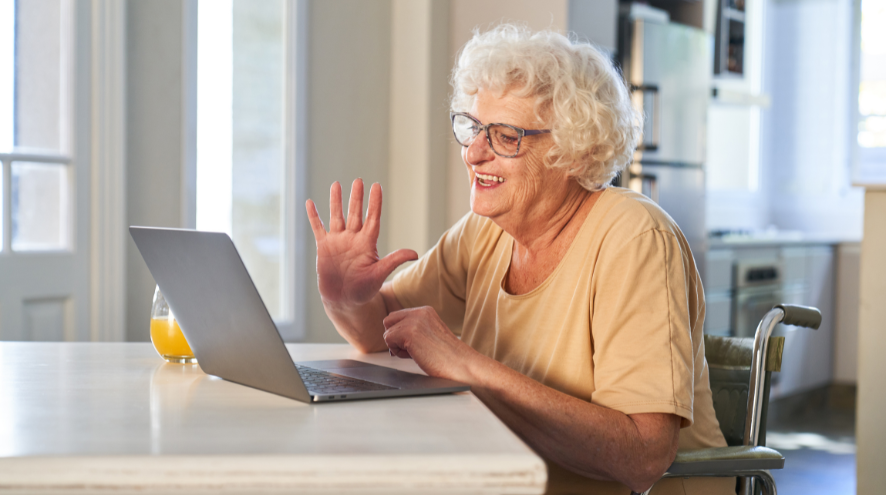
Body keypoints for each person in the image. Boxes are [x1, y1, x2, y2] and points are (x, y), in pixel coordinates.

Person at [305, 25, 732, 495]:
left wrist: (466, 365)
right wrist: (346, 298)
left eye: (505, 136)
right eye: (472, 127)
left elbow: (643, 457)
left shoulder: (634, 237)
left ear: (573, 150)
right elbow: (384, 330)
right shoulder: (486, 231)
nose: (473, 153)